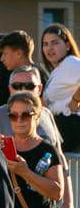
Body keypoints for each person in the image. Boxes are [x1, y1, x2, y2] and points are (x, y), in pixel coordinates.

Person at [0, 65, 74, 208]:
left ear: (39, 89)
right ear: (10, 89)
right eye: (17, 86)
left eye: (29, 86)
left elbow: (60, 159)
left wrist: (68, 200)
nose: (22, 90)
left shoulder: (46, 114)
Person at [41, 24, 80, 152]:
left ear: (67, 46)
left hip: (72, 126)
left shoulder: (71, 63)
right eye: (45, 44)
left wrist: (75, 100)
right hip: (60, 127)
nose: (49, 48)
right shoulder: (57, 70)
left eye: (55, 43)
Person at [0, 31, 48, 109]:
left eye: (5, 54)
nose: (1, 59)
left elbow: (42, 106)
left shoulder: (38, 76)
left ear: (19, 53)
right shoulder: (7, 73)